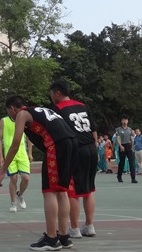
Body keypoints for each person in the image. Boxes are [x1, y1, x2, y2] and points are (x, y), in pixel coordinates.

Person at [0, 95, 77, 251]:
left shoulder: (22, 114)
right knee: (62, 191)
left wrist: (3, 171)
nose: (10, 116)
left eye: (9, 112)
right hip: (71, 142)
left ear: (12, 109)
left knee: (49, 191)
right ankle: (64, 237)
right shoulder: (39, 110)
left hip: (56, 144)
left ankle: (52, 239)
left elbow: (15, 144)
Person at [50, 79, 98, 239]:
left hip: (76, 150)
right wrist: (94, 148)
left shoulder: (57, 109)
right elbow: (93, 130)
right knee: (89, 189)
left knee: (73, 192)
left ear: (57, 93)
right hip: (91, 148)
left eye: (52, 94)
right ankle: (89, 225)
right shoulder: (83, 106)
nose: (51, 97)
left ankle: (74, 228)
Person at [0, 109, 32, 213]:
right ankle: (13, 203)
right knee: (14, 178)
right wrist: (0, 156)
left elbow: (29, 138)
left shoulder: (23, 119)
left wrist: (30, 153)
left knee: (26, 178)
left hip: (22, 153)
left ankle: (19, 194)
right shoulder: (4, 121)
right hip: (10, 154)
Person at [115, 115, 137, 184]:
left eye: (126, 120)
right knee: (122, 162)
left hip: (129, 146)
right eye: (123, 120)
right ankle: (119, 176)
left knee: (132, 162)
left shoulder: (130, 129)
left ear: (128, 121)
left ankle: (133, 178)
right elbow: (118, 138)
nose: (125, 121)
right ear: (121, 121)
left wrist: (132, 146)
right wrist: (120, 145)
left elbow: (132, 138)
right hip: (122, 146)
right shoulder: (118, 129)